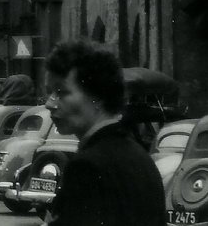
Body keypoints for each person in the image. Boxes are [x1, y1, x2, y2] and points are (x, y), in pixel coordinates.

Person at [43, 40, 166, 226]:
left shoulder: (86, 166)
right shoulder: (141, 157)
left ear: (97, 97)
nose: (49, 104)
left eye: (61, 92)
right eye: (49, 92)